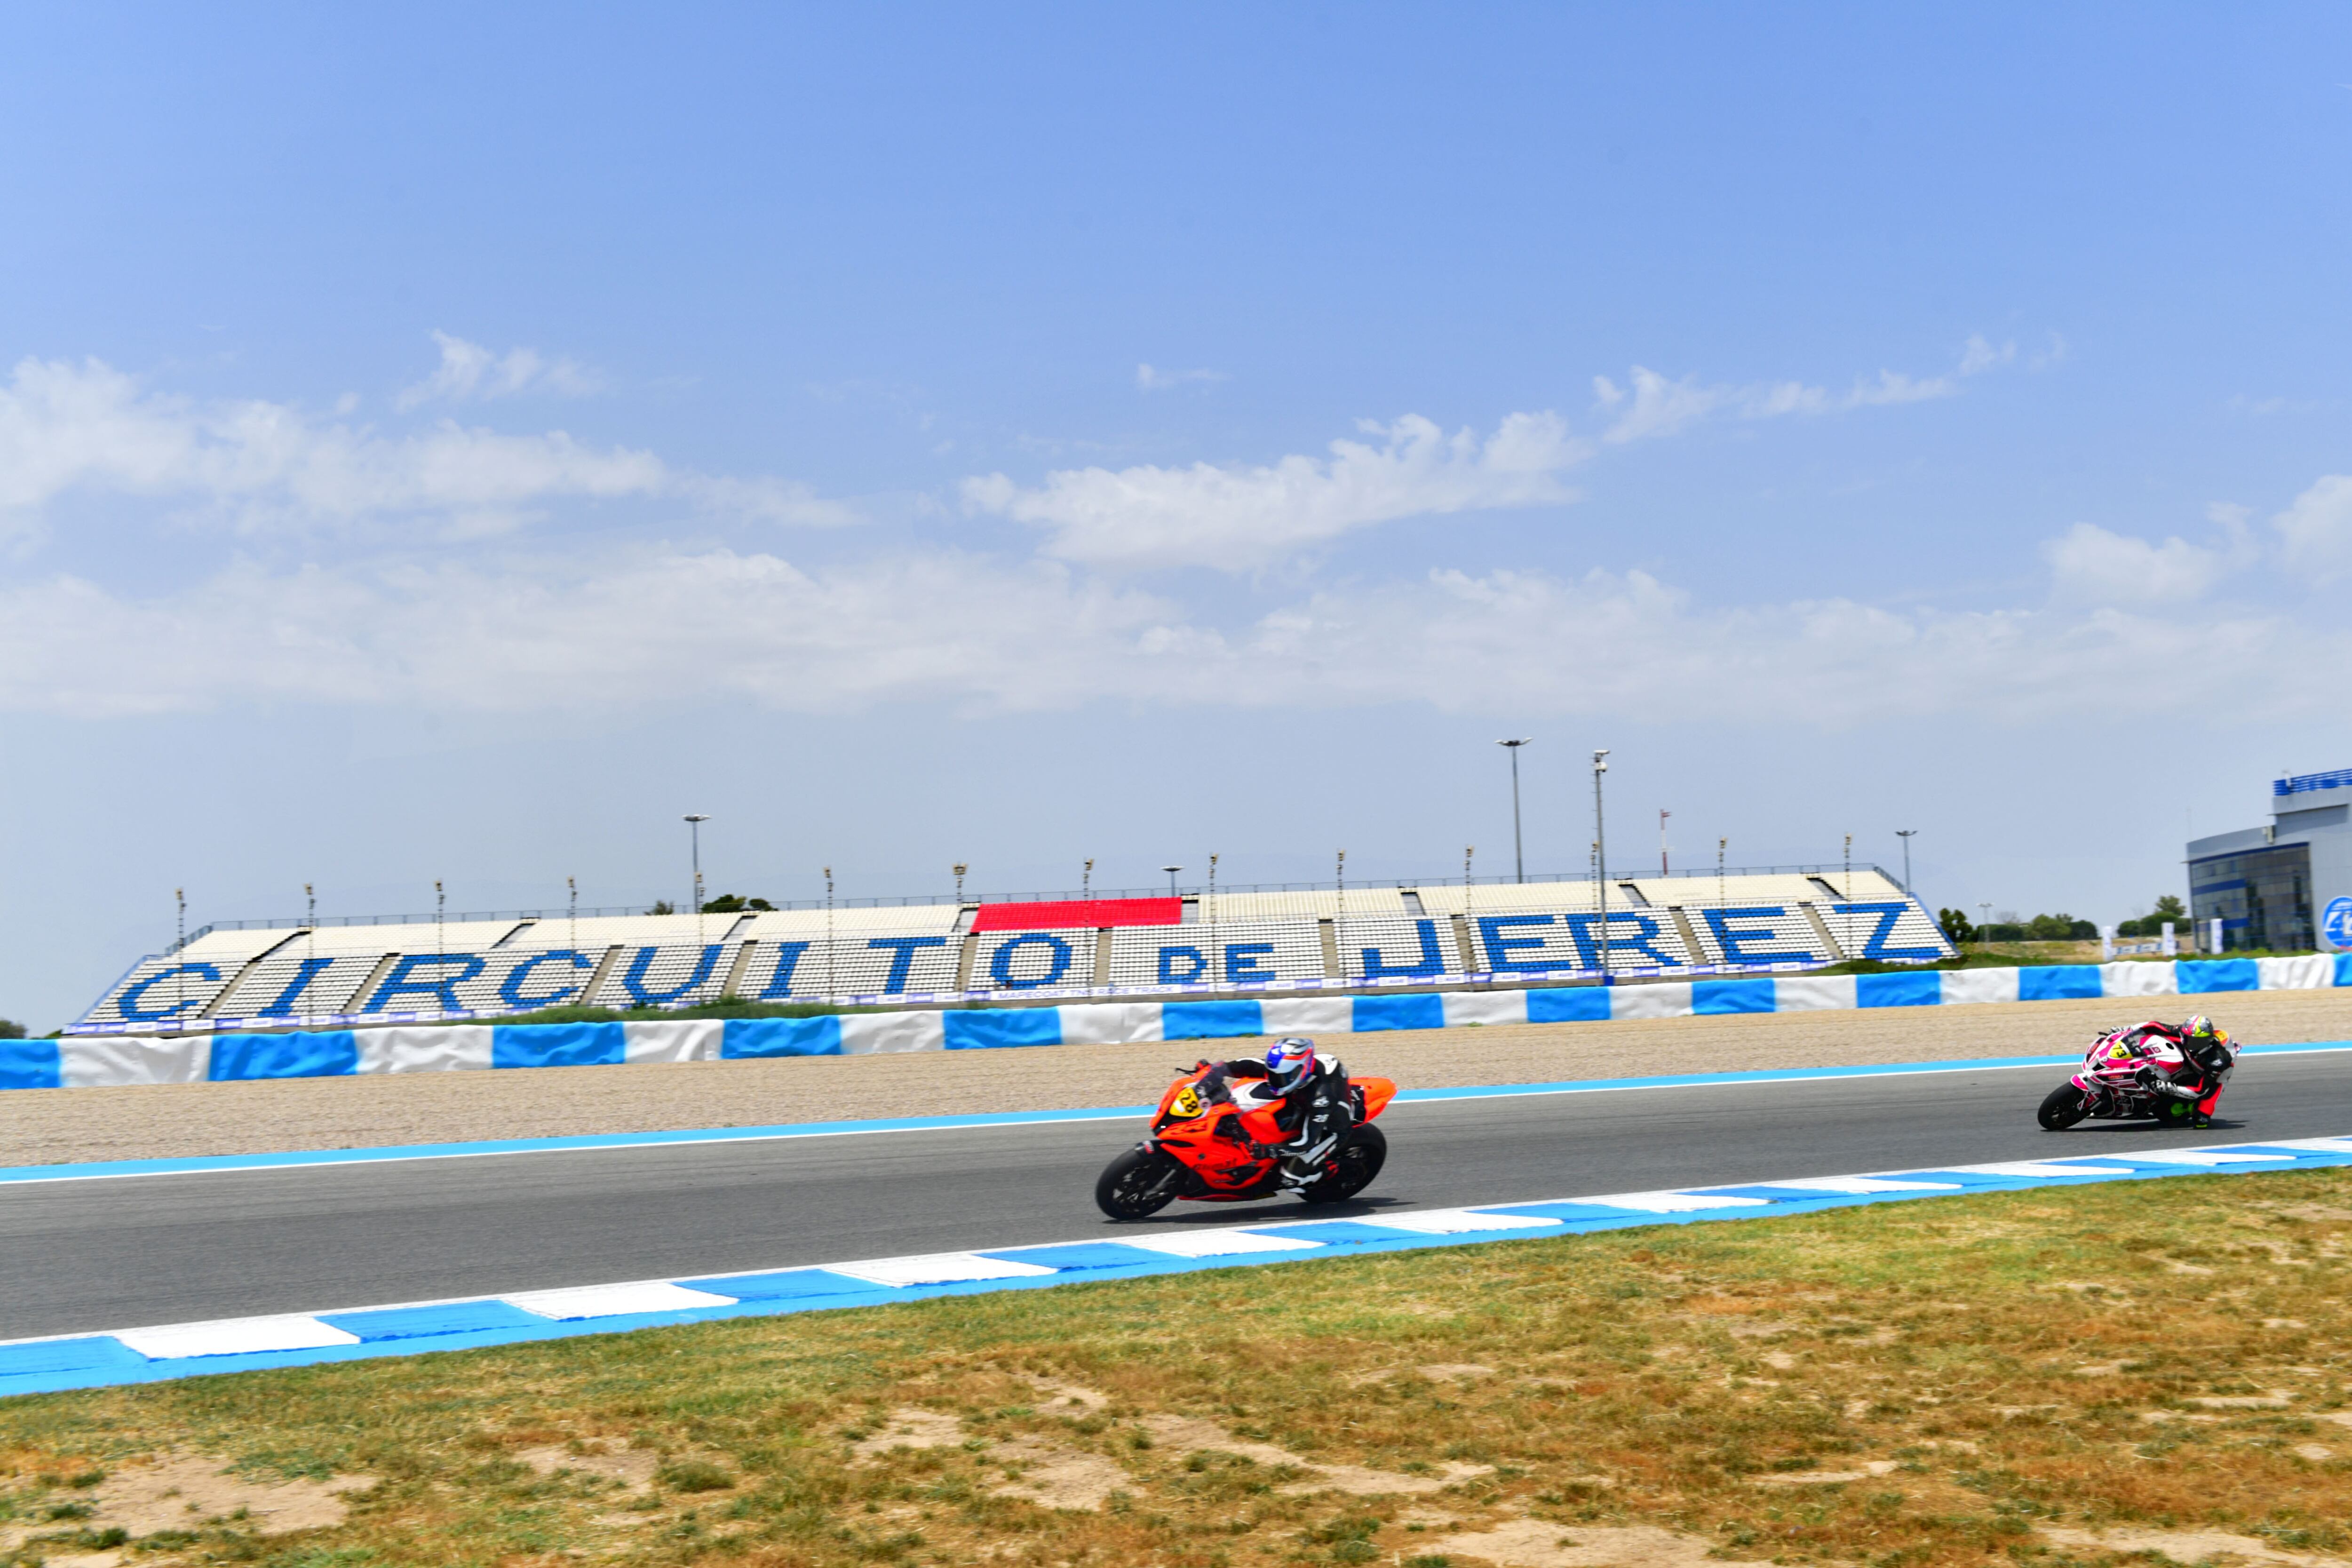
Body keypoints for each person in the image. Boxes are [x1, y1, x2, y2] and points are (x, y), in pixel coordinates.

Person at [1198, 1036, 1354, 1192]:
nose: (1273, 1080)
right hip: (1305, 1103)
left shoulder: (1322, 1098)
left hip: (1331, 1130)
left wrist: (1270, 1150)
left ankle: (1326, 1171)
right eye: (1272, 1074)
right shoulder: (1290, 1069)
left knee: (1290, 1179)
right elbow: (1252, 1066)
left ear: (1301, 1071)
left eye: (1280, 1077)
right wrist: (1218, 1070)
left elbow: (1307, 1143)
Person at [2106, 1013, 2238, 1128]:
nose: (2192, 1044)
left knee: (2201, 1121)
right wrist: (2126, 1030)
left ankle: (2193, 1108)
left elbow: (2199, 1090)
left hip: (2214, 1072)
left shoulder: (2218, 1060)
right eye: (2189, 1039)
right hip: (2191, 1058)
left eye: (2197, 1042)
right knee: (2158, 1040)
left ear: (2207, 1041)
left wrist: (2168, 1088)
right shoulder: (2184, 1033)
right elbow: (2154, 1026)